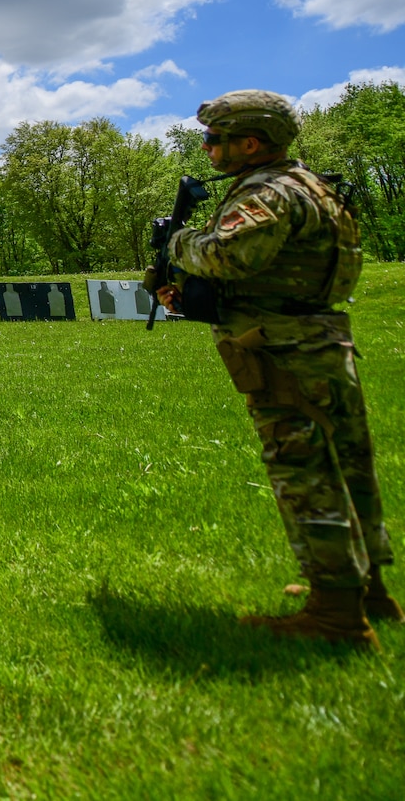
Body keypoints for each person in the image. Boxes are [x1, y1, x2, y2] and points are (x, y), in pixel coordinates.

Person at [156, 90, 394, 646]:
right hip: (316, 338)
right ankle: (367, 589)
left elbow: (227, 255)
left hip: (284, 349)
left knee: (305, 472)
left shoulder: (268, 194)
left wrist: (180, 241)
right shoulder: (312, 186)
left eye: (215, 138)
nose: (208, 147)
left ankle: (336, 616)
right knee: (347, 465)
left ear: (250, 142)